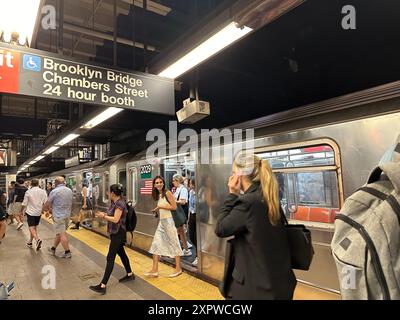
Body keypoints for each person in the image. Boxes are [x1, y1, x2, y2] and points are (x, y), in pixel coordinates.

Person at [215, 152, 296, 300]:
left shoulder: (248, 202)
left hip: (255, 288)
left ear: (239, 175)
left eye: (233, 173)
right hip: (279, 283)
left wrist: (232, 194)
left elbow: (221, 228)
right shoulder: (269, 197)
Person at [90, 184, 134, 295]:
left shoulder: (119, 203)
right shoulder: (115, 202)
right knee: (122, 254)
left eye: (109, 192)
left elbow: (115, 219)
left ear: (113, 193)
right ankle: (130, 274)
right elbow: (112, 215)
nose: (108, 194)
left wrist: (103, 216)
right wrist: (104, 214)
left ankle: (102, 285)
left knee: (110, 258)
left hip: (118, 233)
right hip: (115, 233)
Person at [144, 176, 183, 278]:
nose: (159, 184)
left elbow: (174, 207)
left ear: (163, 183)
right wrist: (158, 209)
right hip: (162, 222)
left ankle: (178, 268)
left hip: (169, 221)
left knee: (174, 243)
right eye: (157, 183)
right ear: (154, 185)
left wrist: (160, 207)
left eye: (161, 182)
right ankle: (154, 269)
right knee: (156, 244)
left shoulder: (167, 193)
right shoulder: (159, 195)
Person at [44, 176, 73, 258]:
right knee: (60, 233)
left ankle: (67, 252)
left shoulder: (55, 191)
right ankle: (53, 249)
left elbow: (47, 203)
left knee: (62, 234)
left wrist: (46, 210)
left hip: (58, 216)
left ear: (56, 183)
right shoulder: (69, 190)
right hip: (67, 215)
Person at [20, 179, 47, 251]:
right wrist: (44, 210)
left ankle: (37, 239)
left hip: (30, 212)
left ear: (31, 184)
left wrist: (21, 211)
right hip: (38, 212)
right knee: (34, 228)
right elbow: (45, 202)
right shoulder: (43, 191)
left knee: (31, 227)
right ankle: (30, 242)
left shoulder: (28, 192)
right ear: (38, 183)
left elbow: (24, 203)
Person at [172, 174, 192, 256]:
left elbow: (183, 201)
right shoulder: (178, 189)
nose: (173, 182)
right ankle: (185, 248)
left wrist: (173, 201)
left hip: (180, 213)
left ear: (178, 181)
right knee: (180, 232)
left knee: (180, 231)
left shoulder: (183, 189)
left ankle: (184, 249)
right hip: (177, 213)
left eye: (174, 181)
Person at [188, 179, 198, 267]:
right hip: (191, 215)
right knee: (191, 236)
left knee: (197, 237)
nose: (189, 185)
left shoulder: (199, 193)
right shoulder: (191, 192)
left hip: (198, 216)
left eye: (190, 183)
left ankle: (198, 255)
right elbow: (190, 206)